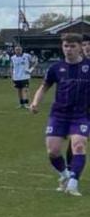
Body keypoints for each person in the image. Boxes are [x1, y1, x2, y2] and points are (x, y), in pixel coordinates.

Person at [28, 31, 90, 196]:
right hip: (59, 115)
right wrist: (35, 102)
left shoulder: (88, 67)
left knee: (78, 145)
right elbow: (44, 87)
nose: (68, 49)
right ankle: (65, 176)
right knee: (53, 151)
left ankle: (73, 184)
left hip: (81, 115)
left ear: (80, 48)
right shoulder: (56, 68)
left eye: (72, 46)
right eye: (65, 46)